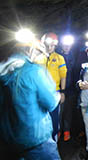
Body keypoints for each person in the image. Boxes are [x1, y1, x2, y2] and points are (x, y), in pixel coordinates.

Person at [0, 31, 61, 160]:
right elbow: (50, 103)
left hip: (10, 142)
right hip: (36, 140)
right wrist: (59, 96)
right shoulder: (34, 71)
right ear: (32, 50)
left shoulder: (3, 69)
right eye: (39, 53)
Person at [41, 32, 67, 141]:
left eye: (53, 45)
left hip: (54, 92)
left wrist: (62, 92)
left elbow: (63, 76)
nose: (51, 47)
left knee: (54, 117)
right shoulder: (38, 57)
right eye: (49, 45)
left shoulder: (59, 58)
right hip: (40, 92)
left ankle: (54, 139)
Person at [57, 34, 76, 141]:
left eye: (69, 45)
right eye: (65, 45)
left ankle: (66, 131)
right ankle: (59, 130)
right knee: (60, 110)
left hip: (71, 89)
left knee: (68, 111)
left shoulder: (74, 56)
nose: (67, 47)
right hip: (60, 88)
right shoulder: (58, 57)